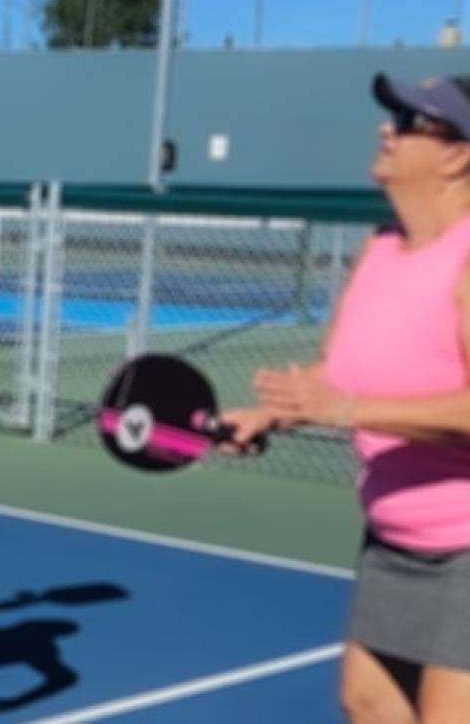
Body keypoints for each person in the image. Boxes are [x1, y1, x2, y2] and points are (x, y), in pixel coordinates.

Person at [222, 74, 470, 723]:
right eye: (391, 117)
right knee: (368, 703)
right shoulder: (380, 247)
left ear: (457, 153)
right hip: (393, 536)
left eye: (412, 122)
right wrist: (274, 410)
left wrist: (345, 408)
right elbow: (341, 370)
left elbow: (353, 398)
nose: (388, 129)